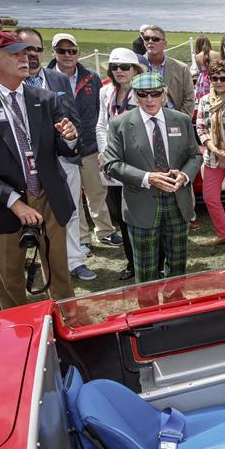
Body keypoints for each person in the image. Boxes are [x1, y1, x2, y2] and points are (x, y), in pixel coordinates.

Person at [0, 31, 79, 309]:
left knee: (60, 275)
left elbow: (66, 148)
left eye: (25, 52)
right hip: (2, 205)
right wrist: (14, 202)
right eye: (15, 54)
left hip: (49, 197)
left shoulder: (46, 98)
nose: (24, 58)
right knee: (10, 283)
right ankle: (21, 342)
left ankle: (68, 332)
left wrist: (71, 138)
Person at [104, 72, 201, 283]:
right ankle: (148, 313)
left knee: (177, 266)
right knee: (146, 269)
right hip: (141, 206)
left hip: (177, 202)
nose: (149, 99)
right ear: (134, 96)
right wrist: (148, 178)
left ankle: (176, 311)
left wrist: (184, 175)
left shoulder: (181, 120)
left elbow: (195, 155)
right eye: (143, 94)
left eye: (155, 94)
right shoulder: (119, 124)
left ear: (164, 95)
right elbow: (111, 164)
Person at [49, 32, 119, 278]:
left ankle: (105, 231)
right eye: (62, 51)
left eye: (71, 51)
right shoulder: (47, 79)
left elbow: (102, 111)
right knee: (72, 198)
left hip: (89, 145)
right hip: (61, 149)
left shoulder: (92, 77)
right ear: (54, 53)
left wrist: (103, 145)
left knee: (96, 190)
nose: (67, 55)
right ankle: (81, 239)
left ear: (78, 53)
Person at [95, 48, 146, 281]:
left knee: (144, 214)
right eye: (115, 67)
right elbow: (101, 125)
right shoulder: (105, 92)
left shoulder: (144, 92)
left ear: (135, 69)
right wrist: (106, 153)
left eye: (125, 67)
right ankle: (132, 262)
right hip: (113, 165)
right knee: (121, 216)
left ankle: (156, 261)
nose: (119, 71)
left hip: (138, 165)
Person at [195, 60, 225, 249]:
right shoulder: (204, 100)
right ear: (209, 79)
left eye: (223, 78)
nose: (218, 82)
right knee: (210, 197)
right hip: (212, 157)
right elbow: (200, 127)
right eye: (214, 78)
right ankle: (223, 233)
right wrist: (215, 150)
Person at [140, 25, 195, 116]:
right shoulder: (137, 67)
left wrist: (181, 122)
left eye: (155, 39)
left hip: (173, 120)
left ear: (164, 44)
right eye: (146, 38)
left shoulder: (181, 69)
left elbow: (189, 99)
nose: (150, 42)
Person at [192, 35, 220, 103]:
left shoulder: (197, 56)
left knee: (203, 101)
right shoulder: (217, 54)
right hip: (216, 77)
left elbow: (201, 71)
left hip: (203, 81)